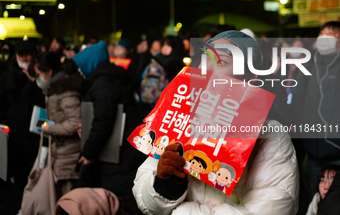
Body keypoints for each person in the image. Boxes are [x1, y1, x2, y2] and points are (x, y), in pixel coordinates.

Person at [133, 31, 299, 215]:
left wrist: (181, 212)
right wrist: (167, 185)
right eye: (204, 60)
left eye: (222, 61)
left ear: (251, 76)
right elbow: (145, 198)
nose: (207, 69)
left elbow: (272, 208)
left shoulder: (271, 136)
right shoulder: (180, 119)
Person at [71, 42, 145, 208]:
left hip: (119, 155)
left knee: (118, 202)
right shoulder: (109, 78)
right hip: (122, 150)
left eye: (80, 66)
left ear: (90, 64)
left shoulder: (103, 83)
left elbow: (103, 121)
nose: (79, 71)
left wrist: (89, 153)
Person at [289, 21, 340, 189]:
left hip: (336, 148)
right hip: (312, 149)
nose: (325, 37)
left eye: (331, 33)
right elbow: (297, 99)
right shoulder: (309, 64)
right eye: (322, 33)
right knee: (315, 193)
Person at [0, 39, 45, 207]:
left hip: (36, 133)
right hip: (15, 135)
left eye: (28, 54)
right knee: (18, 174)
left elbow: (46, 99)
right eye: (21, 55)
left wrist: (35, 81)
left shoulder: (40, 74)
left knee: (36, 173)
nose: (25, 58)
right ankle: (19, 205)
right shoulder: (8, 74)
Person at [34, 52, 82, 198]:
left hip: (69, 152)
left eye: (39, 74)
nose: (38, 79)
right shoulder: (55, 89)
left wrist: (50, 128)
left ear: (49, 72)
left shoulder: (66, 91)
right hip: (61, 149)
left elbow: (74, 123)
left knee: (67, 197)